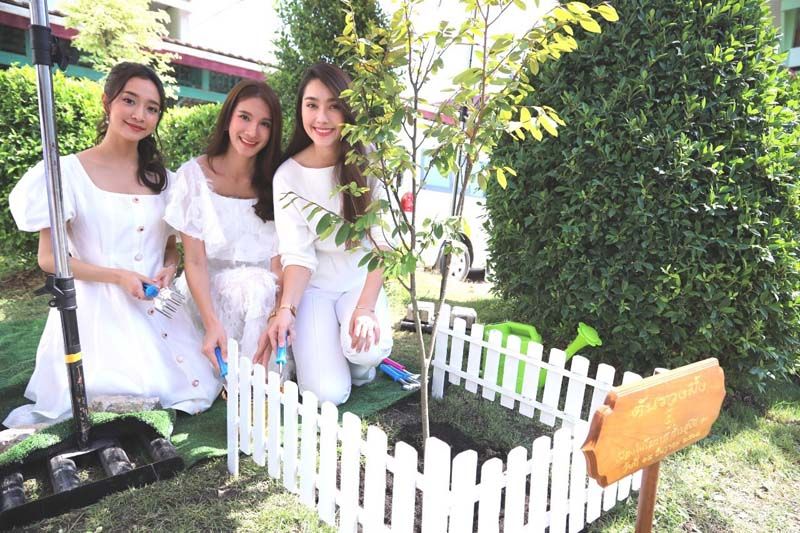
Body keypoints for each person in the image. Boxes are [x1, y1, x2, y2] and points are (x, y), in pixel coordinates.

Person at [4, 62, 219, 428]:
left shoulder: (166, 181)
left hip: (155, 305)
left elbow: (170, 246)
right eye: (129, 101)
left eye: (152, 108)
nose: (139, 115)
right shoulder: (65, 173)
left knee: (187, 385)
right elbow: (50, 258)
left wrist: (170, 267)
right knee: (114, 392)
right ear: (107, 102)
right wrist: (118, 276)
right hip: (94, 311)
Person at [268, 62, 393, 406]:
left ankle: (361, 367)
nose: (321, 118)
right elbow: (297, 256)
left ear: (347, 110)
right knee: (326, 395)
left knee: (364, 351)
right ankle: (339, 362)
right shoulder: (287, 176)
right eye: (312, 105)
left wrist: (365, 308)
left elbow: (383, 244)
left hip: (359, 281)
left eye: (333, 106)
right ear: (301, 109)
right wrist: (286, 309)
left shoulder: (371, 162)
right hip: (316, 288)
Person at [165, 79, 285, 374]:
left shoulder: (279, 181)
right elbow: (194, 261)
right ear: (229, 117)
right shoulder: (193, 176)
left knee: (258, 286)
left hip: (264, 300)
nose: (252, 132)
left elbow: (279, 263)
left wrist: (276, 313)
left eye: (265, 124)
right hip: (207, 298)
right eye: (245, 117)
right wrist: (211, 324)